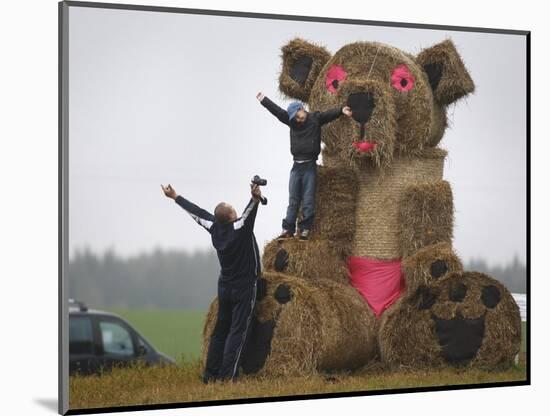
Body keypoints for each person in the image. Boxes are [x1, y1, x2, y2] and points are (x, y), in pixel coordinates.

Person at [161, 182, 263, 383]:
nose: (236, 211)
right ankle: (227, 377)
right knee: (237, 331)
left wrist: (175, 197)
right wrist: (254, 197)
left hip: (225, 286)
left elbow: (196, 213)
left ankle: (210, 374)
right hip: (243, 287)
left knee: (219, 331)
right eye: (233, 209)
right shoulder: (239, 228)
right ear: (232, 216)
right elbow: (249, 213)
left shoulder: (215, 227)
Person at [256, 92, 352, 241]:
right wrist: (263, 100)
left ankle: (305, 229)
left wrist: (341, 110)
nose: (298, 119)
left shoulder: (315, 118)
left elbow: (328, 115)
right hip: (296, 166)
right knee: (293, 199)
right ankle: (287, 229)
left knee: (308, 199)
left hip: (309, 167)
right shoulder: (293, 122)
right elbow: (277, 112)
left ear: (302, 109)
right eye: (295, 117)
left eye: (298, 115)